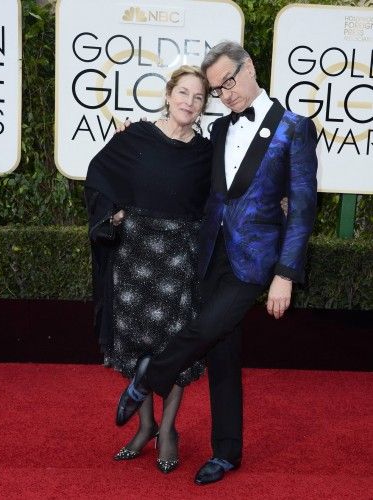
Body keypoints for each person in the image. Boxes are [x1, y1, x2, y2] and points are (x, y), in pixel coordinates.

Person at [117, 41, 318, 485]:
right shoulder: (221, 132)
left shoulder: (294, 127)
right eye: (216, 89)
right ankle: (226, 451)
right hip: (210, 254)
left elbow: (302, 208)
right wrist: (140, 137)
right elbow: (187, 172)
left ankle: (148, 377)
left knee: (205, 329)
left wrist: (285, 273)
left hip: (256, 262)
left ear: (249, 69)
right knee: (222, 355)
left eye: (228, 82)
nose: (224, 95)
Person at [85, 65, 213, 473]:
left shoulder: (206, 153)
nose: (189, 103)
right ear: (169, 93)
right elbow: (99, 175)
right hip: (134, 256)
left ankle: (169, 431)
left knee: (173, 348)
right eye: (184, 93)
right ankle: (146, 427)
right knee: (140, 342)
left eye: (198, 98)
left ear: (203, 106)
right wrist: (112, 215)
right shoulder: (136, 136)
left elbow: (229, 194)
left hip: (180, 259)